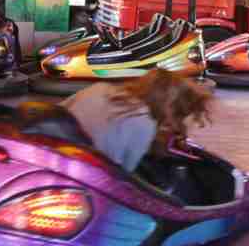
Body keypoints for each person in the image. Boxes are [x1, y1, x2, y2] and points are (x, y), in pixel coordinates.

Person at [62, 68, 214, 173]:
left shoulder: (99, 88)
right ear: (170, 106)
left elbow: (59, 112)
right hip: (84, 177)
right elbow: (126, 177)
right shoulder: (143, 121)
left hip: (58, 158)